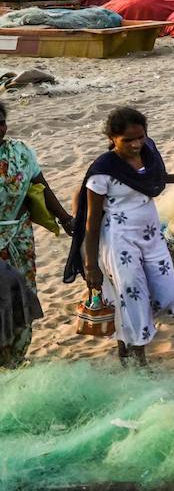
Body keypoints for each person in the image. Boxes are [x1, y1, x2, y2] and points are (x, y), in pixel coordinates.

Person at [69, 107, 174, 365]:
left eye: (140, 137)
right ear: (112, 138)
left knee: (164, 292)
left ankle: (129, 335)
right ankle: (134, 357)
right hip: (119, 241)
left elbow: (155, 178)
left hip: (152, 237)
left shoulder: (148, 154)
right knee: (132, 296)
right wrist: (90, 265)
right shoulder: (103, 170)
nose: (136, 144)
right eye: (128, 140)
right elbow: (92, 219)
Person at [0, 101, 74, 368]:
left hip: (19, 235)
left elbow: (40, 185)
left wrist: (65, 218)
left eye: (1, 122)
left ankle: (15, 357)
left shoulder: (20, 152)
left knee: (22, 294)